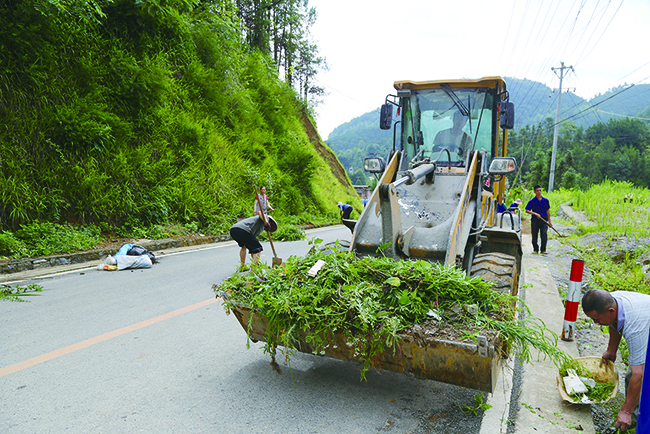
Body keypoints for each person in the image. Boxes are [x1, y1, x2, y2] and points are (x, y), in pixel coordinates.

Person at [582, 289, 650, 432]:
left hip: (644, 324)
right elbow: (614, 323)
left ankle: (632, 417)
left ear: (611, 311)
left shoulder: (635, 328)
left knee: (637, 376)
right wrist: (611, 350)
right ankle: (633, 418)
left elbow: (639, 374)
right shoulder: (613, 301)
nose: (595, 323)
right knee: (632, 376)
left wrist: (626, 411)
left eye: (597, 319)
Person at [525, 185, 552, 254]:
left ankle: (543, 250)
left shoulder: (545, 201)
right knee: (534, 235)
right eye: (537, 191)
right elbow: (527, 210)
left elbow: (547, 211)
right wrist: (535, 213)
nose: (539, 192)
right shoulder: (532, 201)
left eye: (540, 190)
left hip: (544, 220)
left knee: (544, 234)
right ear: (534, 192)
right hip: (535, 220)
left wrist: (549, 221)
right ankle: (535, 249)